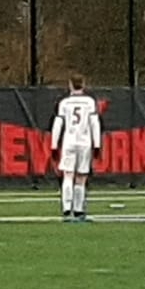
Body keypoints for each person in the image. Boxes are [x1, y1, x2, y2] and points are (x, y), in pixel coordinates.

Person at [51, 74, 102, 222]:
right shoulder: (89, 102)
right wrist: (97, 144)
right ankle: (79, 210)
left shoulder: (64, 103)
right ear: (83, 84)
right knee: (81, 177)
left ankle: (67, 209)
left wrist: (54, 144)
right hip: (85, 142)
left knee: (67, 175)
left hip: (69, 141)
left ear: (70, 85)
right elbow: (94, 123)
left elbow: (58, 124)